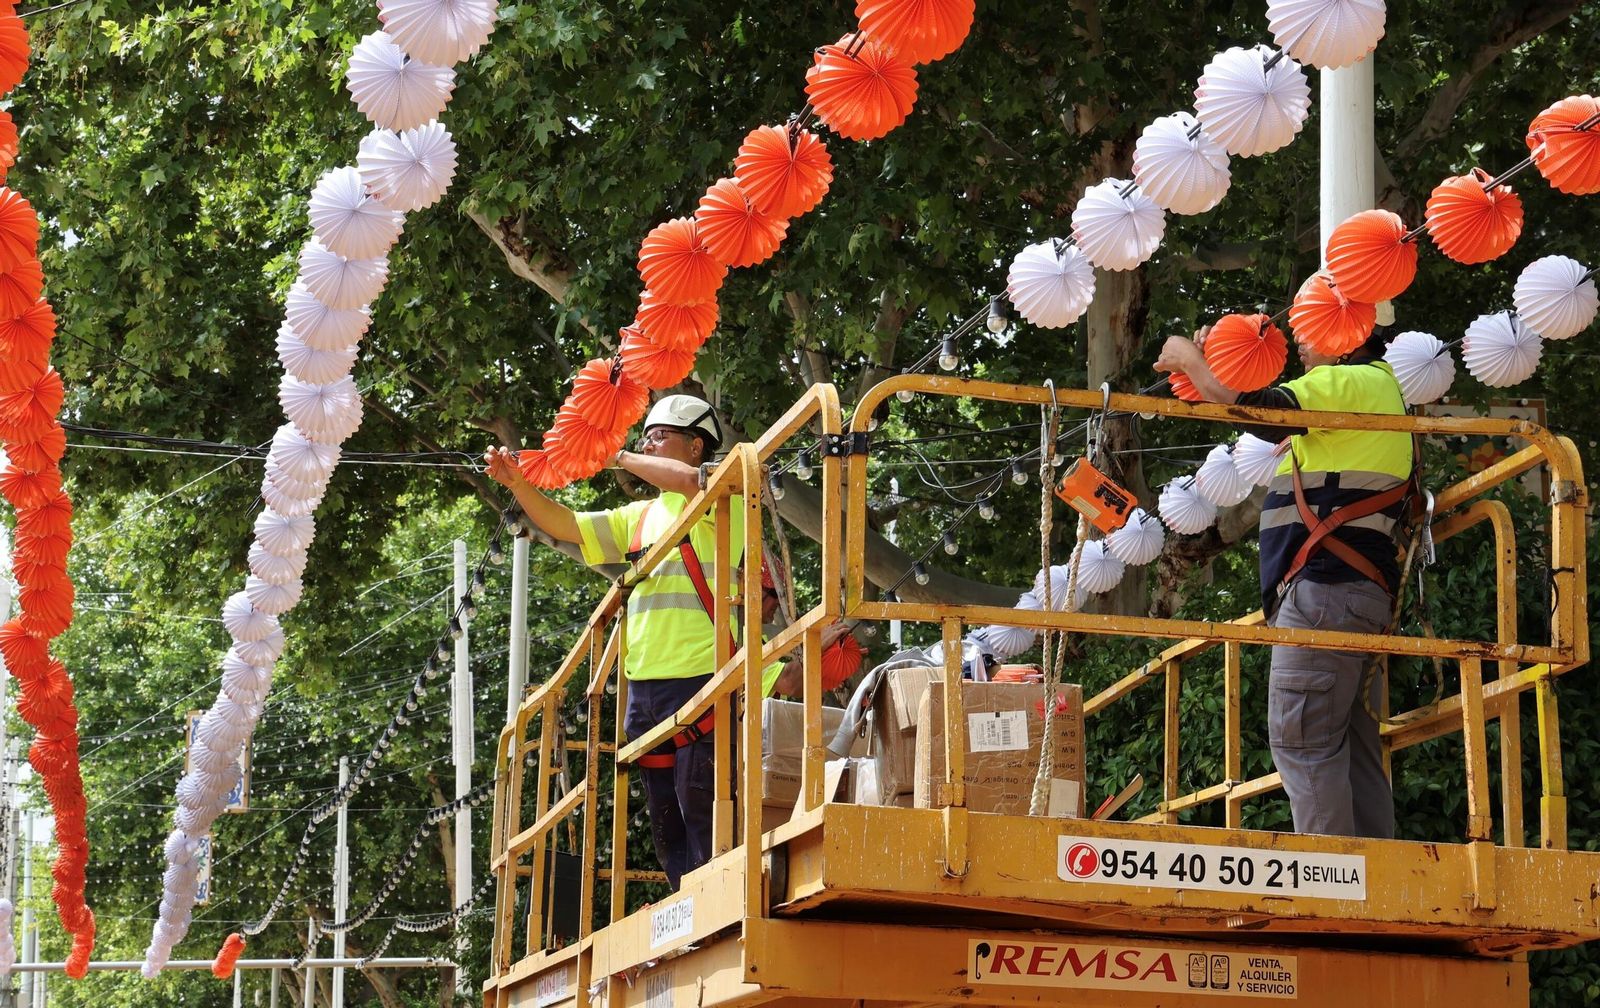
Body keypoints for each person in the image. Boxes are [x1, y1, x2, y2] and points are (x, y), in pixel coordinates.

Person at [1154, 323, 1412, 839]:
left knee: (1303, 743)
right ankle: (1379, 887)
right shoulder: (1373, 392)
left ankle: (1332, 897)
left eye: (1312, 329)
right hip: (1353, 593)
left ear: (1347, 333)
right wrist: (1221, 355)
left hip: (1324, 592)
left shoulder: (1350, 381)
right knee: (1349, 745)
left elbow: (1252, 407)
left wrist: (1189, 360)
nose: (1300, 342)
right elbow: (1256, 399)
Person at [485, 394, 742, 889]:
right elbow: (567, 525)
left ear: (695, 447)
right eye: (646, 437)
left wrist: (616, 455)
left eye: (658, 436)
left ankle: (712, 899)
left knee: (701, 800)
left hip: (700, 675)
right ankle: (684, 901)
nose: (647, 443)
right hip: (644, 685)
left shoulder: (720, 494)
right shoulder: (640, 517)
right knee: (664, 813)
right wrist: (519, 483)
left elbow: (693, 483)